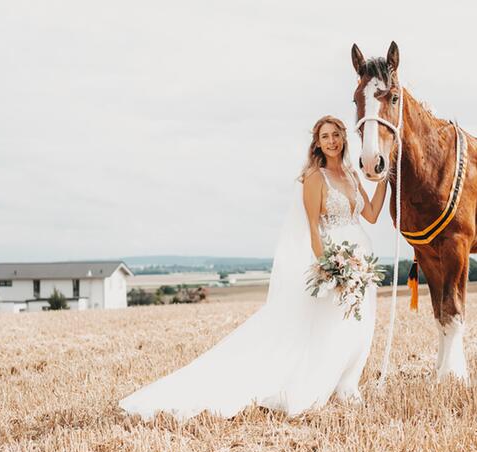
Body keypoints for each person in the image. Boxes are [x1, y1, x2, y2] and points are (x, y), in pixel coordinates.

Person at [120, 116, 388, 420]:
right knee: (330, 325)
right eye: (325, 136)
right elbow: (314, 229)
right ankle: (320, 384)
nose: (331, 141)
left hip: (362, 263)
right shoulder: (315, 178)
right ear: (317, 143)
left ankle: (346, 384)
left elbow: (373, 214)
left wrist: (387, 178)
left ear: (344, 138)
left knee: (356, 324)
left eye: (336, 135)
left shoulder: (352, 175)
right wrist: (331, 268)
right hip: (337, 263)